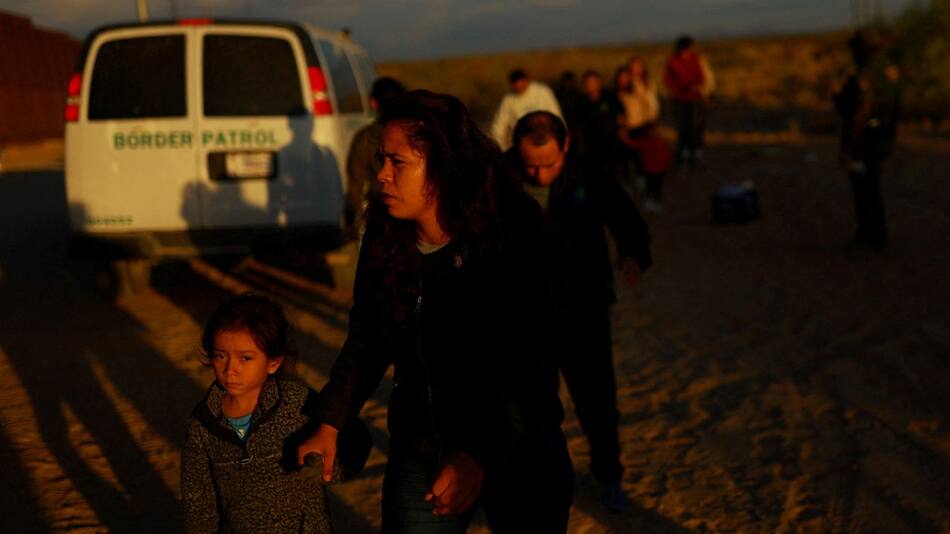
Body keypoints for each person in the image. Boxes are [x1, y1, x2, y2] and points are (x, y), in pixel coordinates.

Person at [299, 90, 573, 532]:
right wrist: (331, 419)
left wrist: (478, 454)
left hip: (521, 453)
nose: (382, 175)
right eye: (381, 159)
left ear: (444, 164)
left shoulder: (514, 230)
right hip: (423, 448)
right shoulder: (386, 237)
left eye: (398, 162)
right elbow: (368, 337)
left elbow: (532, 364)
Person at [509, 110, 652, 512]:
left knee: (597, 402)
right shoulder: (498, 176)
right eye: (530, 166)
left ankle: (609, 476)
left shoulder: (589, 173)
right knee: (529, 408)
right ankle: (538, 482)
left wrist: (633, 256)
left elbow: (627, 221)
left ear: (566, 146)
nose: (538, 175)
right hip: (522, 315)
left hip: (583, 309)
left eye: (549, 164)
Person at [181, 293, 371, 533]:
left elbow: (355, 437)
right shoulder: (202, 425)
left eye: (245, 358)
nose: (231, 369)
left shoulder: (296, 402)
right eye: (221, 356)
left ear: (273, 362)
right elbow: (199, 504)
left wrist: (325, 468)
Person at [834, 30, 901, 251]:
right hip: (883, 133)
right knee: (871, 184)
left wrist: (849, 144)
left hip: (867, 137)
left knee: (865, 187)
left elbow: (863, 108)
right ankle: (876, 235)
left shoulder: (867, 71)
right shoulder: (888, 67)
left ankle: (869, 236)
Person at [345, 76, 406, 239]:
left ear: (373, 103)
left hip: (379, 215)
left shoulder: (365, 138)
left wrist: (352, 219)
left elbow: (356, 184)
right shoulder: (417, 136)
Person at [490, 69, 563, 151]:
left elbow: (556, 113)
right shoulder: (508, 100)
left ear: (526, 80)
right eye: (516, 85)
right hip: (521, 145)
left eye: (521, 83)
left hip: (546, 141)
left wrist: (562, 136)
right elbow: (499, 126)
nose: (519, 87)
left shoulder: (542, 91)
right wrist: (499, 147)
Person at [664, 35, 707, 164]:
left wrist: (697, 86)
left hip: (695, 98)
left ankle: (696, 150)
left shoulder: (695, 59)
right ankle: (684, 150)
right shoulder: (672, 61)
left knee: (696, 125)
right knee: (682, 125)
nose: (686, 52)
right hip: (679, 98)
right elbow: (668, 80)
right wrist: (678, 87)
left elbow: (701, 76)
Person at [572, 69, 623, 179]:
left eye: (593, 82)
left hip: (611, 142)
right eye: (588, 83)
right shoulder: (580, 102)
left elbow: (621, 116)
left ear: (599, 82)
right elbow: (577, 125)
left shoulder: (610, 97)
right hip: (591, 145)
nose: (591, 85)